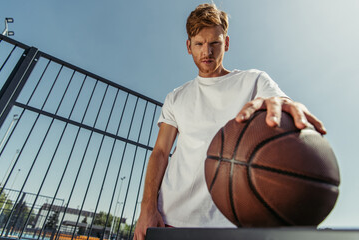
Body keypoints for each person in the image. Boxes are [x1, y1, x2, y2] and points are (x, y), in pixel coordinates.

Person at [134, 3, 326, 240]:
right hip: (172, 219)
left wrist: (287, 106)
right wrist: (147, 209)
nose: (207, 51)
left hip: (231, 223)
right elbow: (161, 152)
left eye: (215, 43)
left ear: (226, 43)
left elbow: (279, 100)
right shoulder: (176, 97)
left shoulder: (253, 81)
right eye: (199, 44)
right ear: (188, 46)